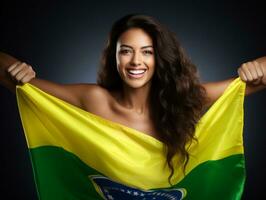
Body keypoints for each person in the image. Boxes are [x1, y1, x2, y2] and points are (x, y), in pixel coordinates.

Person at [0, 14, 266, 199]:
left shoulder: (184, 99)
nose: (135, 61)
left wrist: (256, 69)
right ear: (114, 57)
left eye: (147, 51)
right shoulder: (94, 100)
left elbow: (250, 82)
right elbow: (21, 84)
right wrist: (17, 70)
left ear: (160, 57)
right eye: (126, 50)